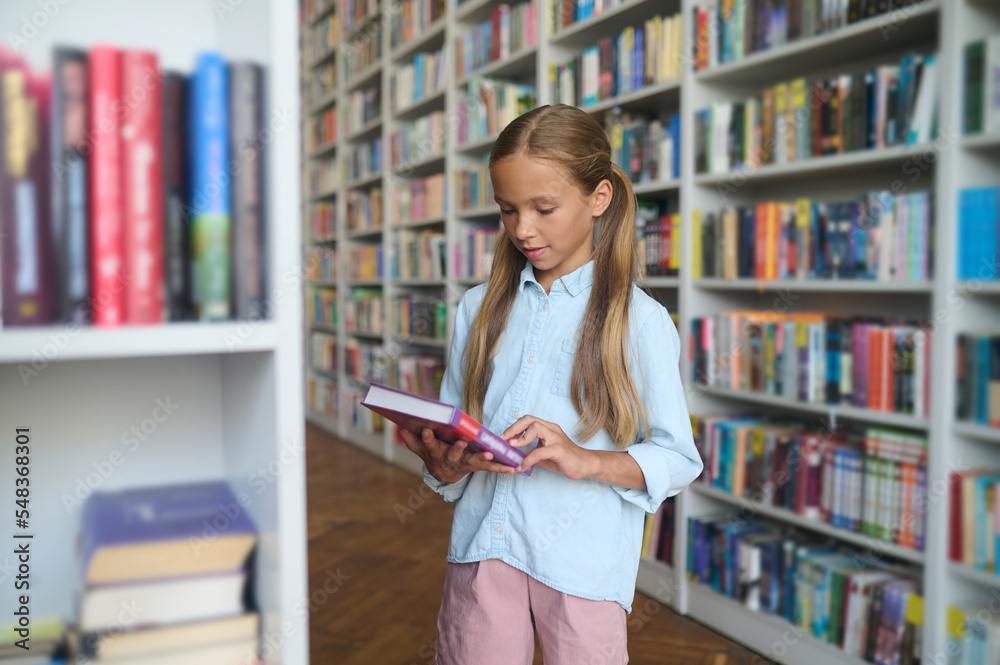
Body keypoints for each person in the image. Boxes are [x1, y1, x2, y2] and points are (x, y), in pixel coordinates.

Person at [398, 104, 703, 665]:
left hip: (581, 567)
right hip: (483, 551)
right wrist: (444, 465)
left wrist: (584, 460)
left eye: (544, 208)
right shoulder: (478, 308)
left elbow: (678, 458)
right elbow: (453, 435)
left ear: (599, 198)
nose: (523, 229)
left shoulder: (640, 321)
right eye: (507, 210)